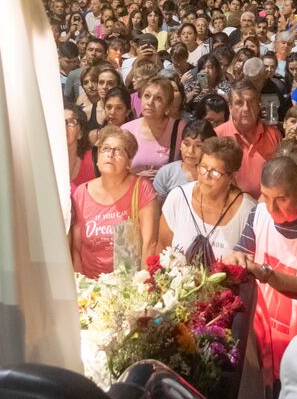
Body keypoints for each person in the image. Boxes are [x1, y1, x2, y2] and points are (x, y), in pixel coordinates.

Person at [225, 156, 297, 385]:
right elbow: (241, 254)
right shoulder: (259, 215)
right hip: (262, 327)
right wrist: (234, 260)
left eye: (281, 199)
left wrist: (266, 273)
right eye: (265, 197)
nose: (271, 207)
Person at [69, 126, 159, 278]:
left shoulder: (142, 189)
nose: (110, 155)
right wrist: (82, 287)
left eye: (118, 151)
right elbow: (76, 249)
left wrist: (142, 287)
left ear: (129, 161)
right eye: (105, 149)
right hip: (91, 289)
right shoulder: (81, 193)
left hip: (127, 287)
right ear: (97, 157)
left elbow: (149, 243)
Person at [158, 136, 256, 263]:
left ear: (231, 176)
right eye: (203, 168)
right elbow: (164, 252)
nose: (205, 177)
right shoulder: (178, 197)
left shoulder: (248, 211)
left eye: (215, 172)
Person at [215, 80, 282, 198]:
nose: (246, 108)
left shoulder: (274, 136)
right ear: (230, 107)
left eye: (251, 102)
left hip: (266, 207)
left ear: (259, 106)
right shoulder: (217, 135)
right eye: (239, 103)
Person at [120, 76, 183, 178]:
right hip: (135, 191)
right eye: (147, 96)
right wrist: (136, 177)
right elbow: (116, 170)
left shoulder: (180, 129)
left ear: (167, 106)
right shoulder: (126, 130)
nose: (150, 102)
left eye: (158, 98)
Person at [152, 118, 215, 201]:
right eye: (186, 144)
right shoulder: (166, 174)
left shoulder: (215, 176)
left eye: (198, 146)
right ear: (180, 144)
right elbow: (156, 209)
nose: (190, 151)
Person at [64, 104, 96, 194]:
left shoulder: (94, 160)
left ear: (80, 133)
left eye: (71, 122)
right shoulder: (45, 163)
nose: (64, 126)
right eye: (59, 122)